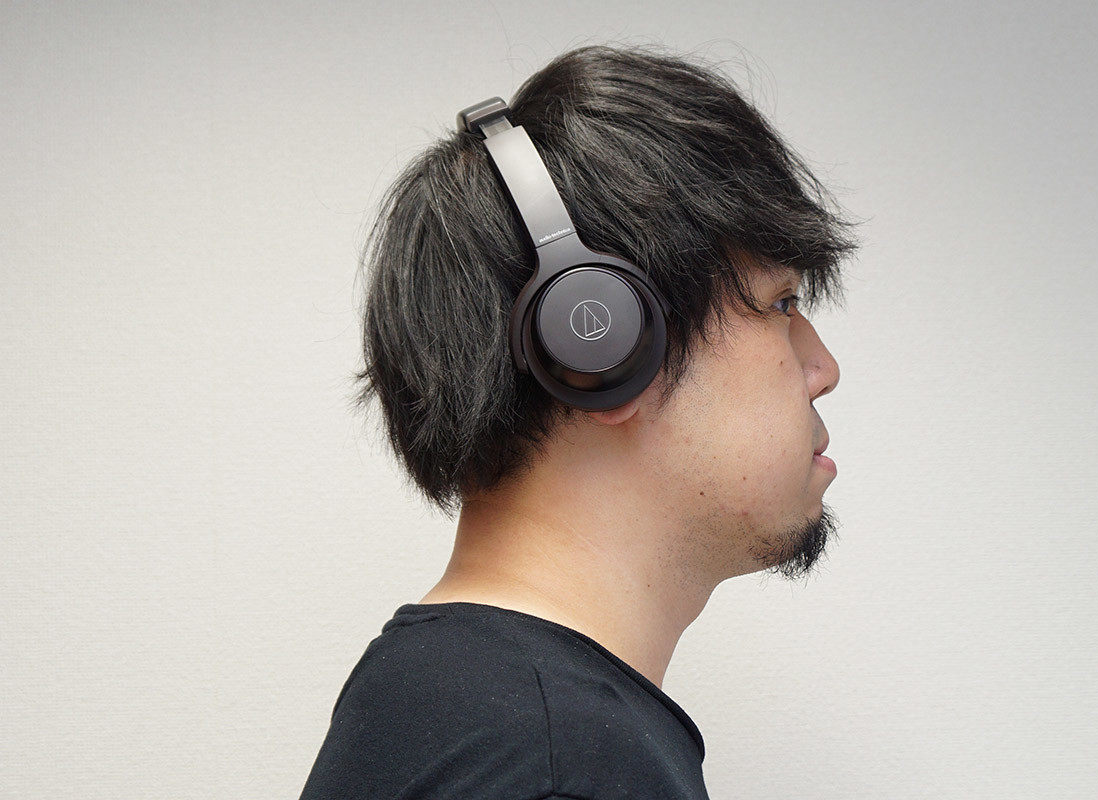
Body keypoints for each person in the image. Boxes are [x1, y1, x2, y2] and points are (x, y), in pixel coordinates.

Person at [299, 41, 859, 800]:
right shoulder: (559, 766)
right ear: (603, 342)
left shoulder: (442, 699)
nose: (823, 367)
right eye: (782, 304)